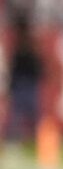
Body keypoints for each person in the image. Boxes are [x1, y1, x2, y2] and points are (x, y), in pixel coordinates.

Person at [5, 12, 45, 144]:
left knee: (23, 114)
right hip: (25, 84)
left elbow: (18, 66)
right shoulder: (27, 44)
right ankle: (28, 137)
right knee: (22, 114)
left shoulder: (25, 43)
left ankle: (31, 137)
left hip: (24, 84)